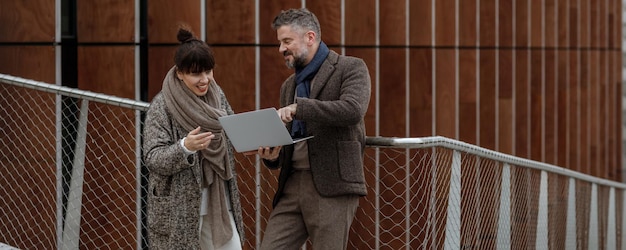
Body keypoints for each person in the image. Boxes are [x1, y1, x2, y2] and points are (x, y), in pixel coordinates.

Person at [254, 8, 371, 250]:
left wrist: (300, 108)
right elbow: (291, 138)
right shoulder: (289, 85)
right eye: (279, 42)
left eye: (287, 41)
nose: (281, 49)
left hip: (332, 186)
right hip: (291, 185)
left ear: (310, 37)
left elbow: (352, 110)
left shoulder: (351, 68)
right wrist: (273, 157)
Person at [142, 26, 244, 250]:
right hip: (178, 209)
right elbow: (152, 157)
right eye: (196, 73)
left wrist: (254, 143)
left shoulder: (217, 96)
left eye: (208, 71)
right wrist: (185, 147)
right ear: (179, 72)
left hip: (219, 204)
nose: (205, 80)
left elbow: (233, 131)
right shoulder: (163, 105)